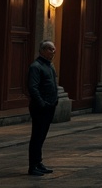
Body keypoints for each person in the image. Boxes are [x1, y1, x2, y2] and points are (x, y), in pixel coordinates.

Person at [26, 40, 58, 176]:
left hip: (50, 106)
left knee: (42, 136)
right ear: (43, 50)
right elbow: (33, 87)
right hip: (40, 107)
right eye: (51, 49)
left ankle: (38, 162)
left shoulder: (50, 66)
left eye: (54, 49)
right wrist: (42, 103)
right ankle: (33, 166)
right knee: (37, 137)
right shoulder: (36, 66)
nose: (53, 52)